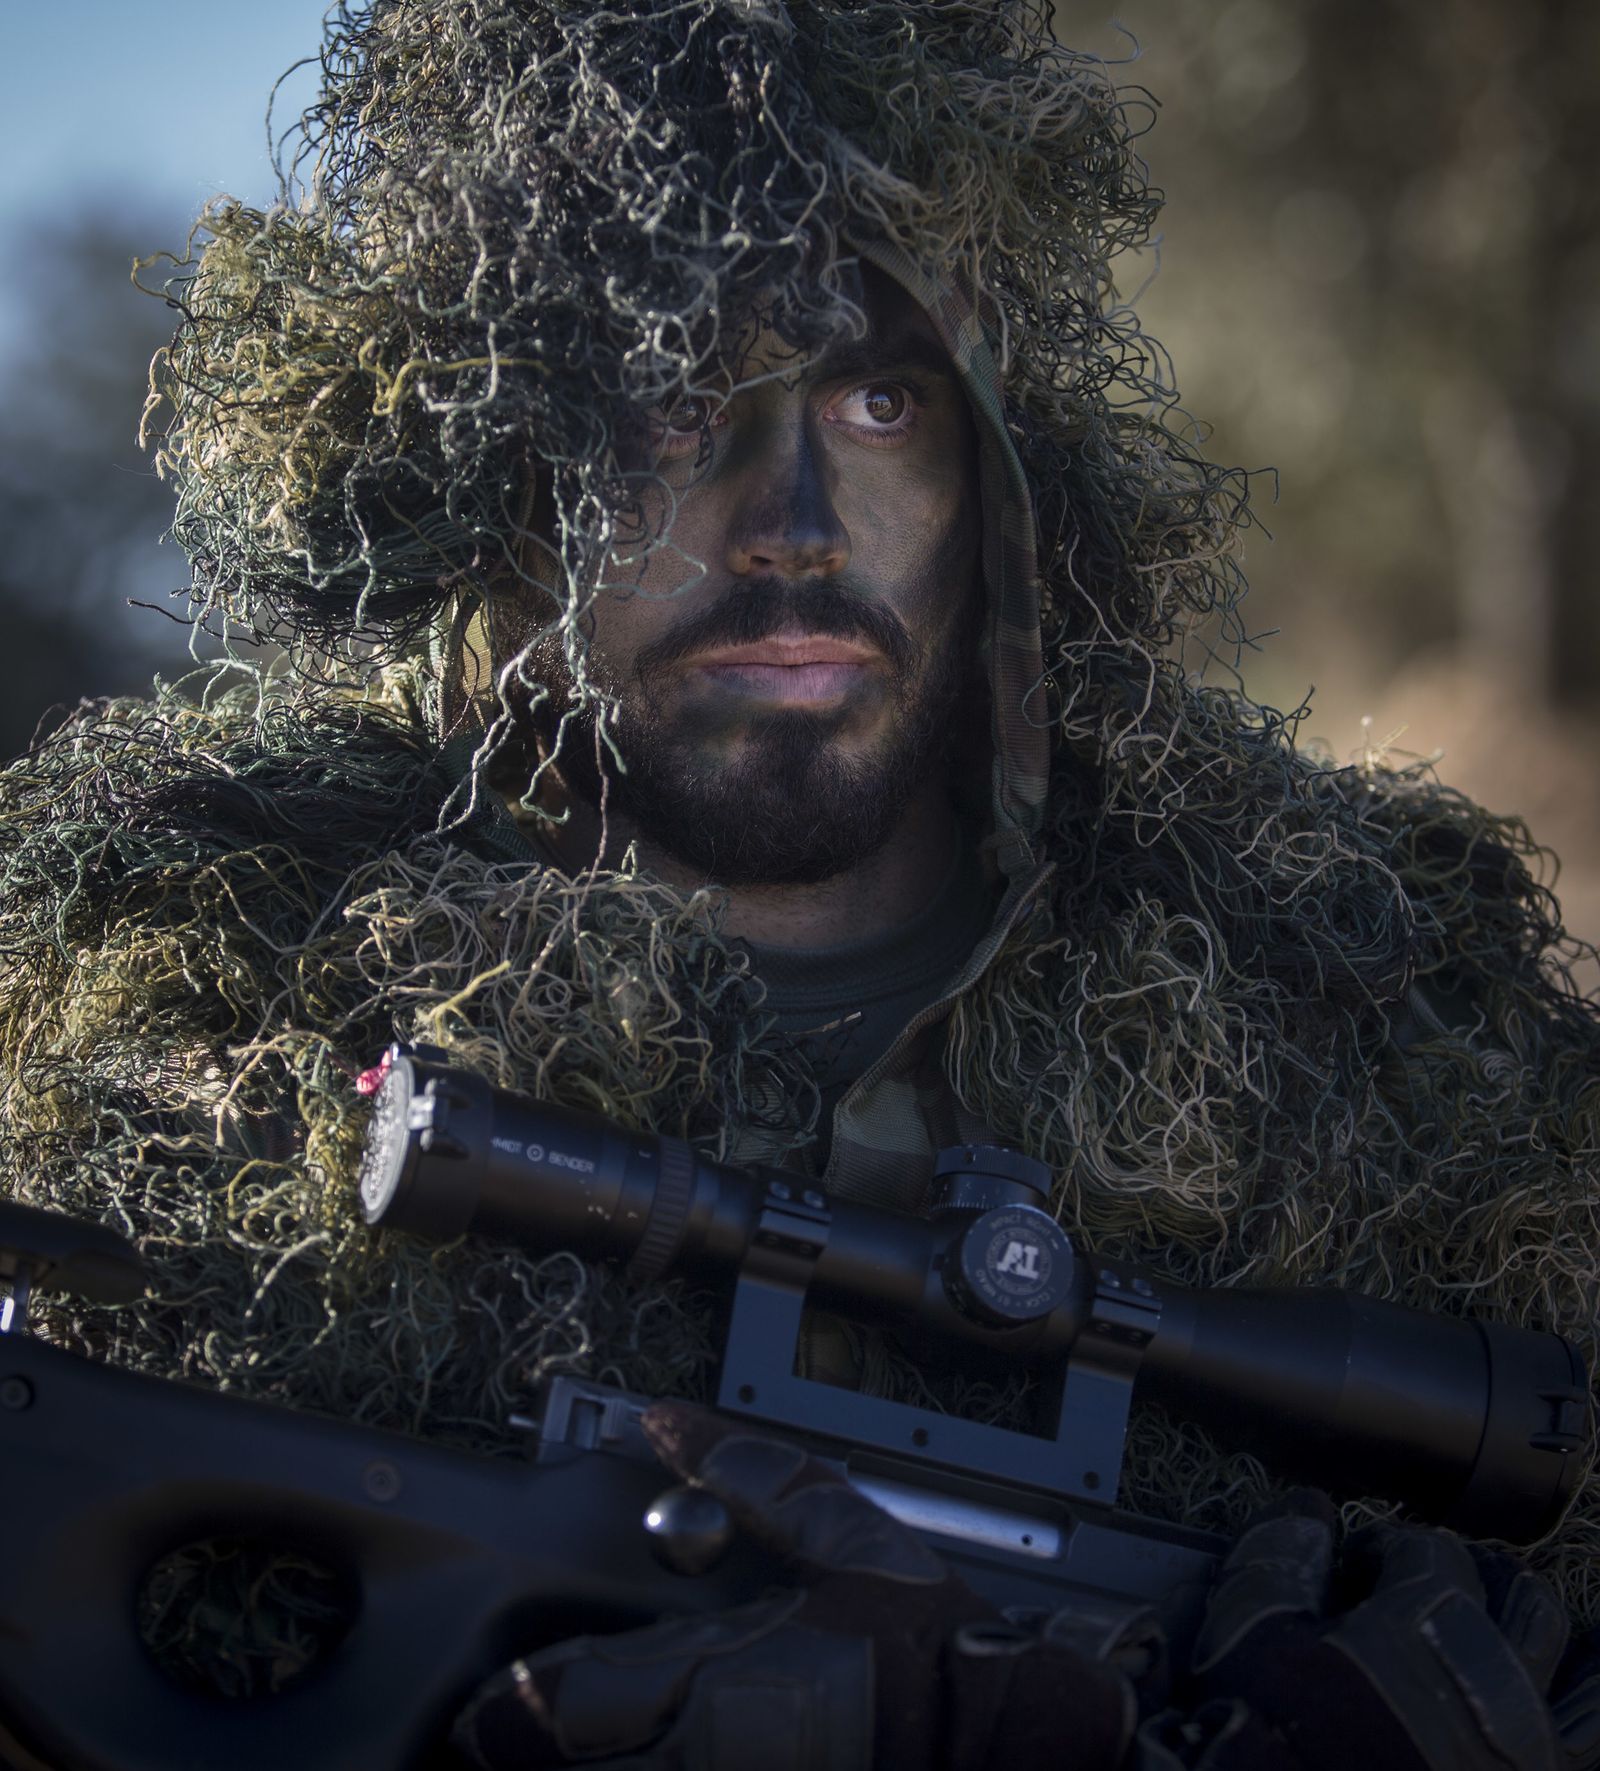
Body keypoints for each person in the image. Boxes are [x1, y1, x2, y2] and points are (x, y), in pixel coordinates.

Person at [0, 1, 1596, 1764]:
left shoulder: (1387, 1046)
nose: (795, 523)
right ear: (507, 477)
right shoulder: (201, 1021)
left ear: (1002, 484)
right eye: (675, 400)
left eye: (881, 401)